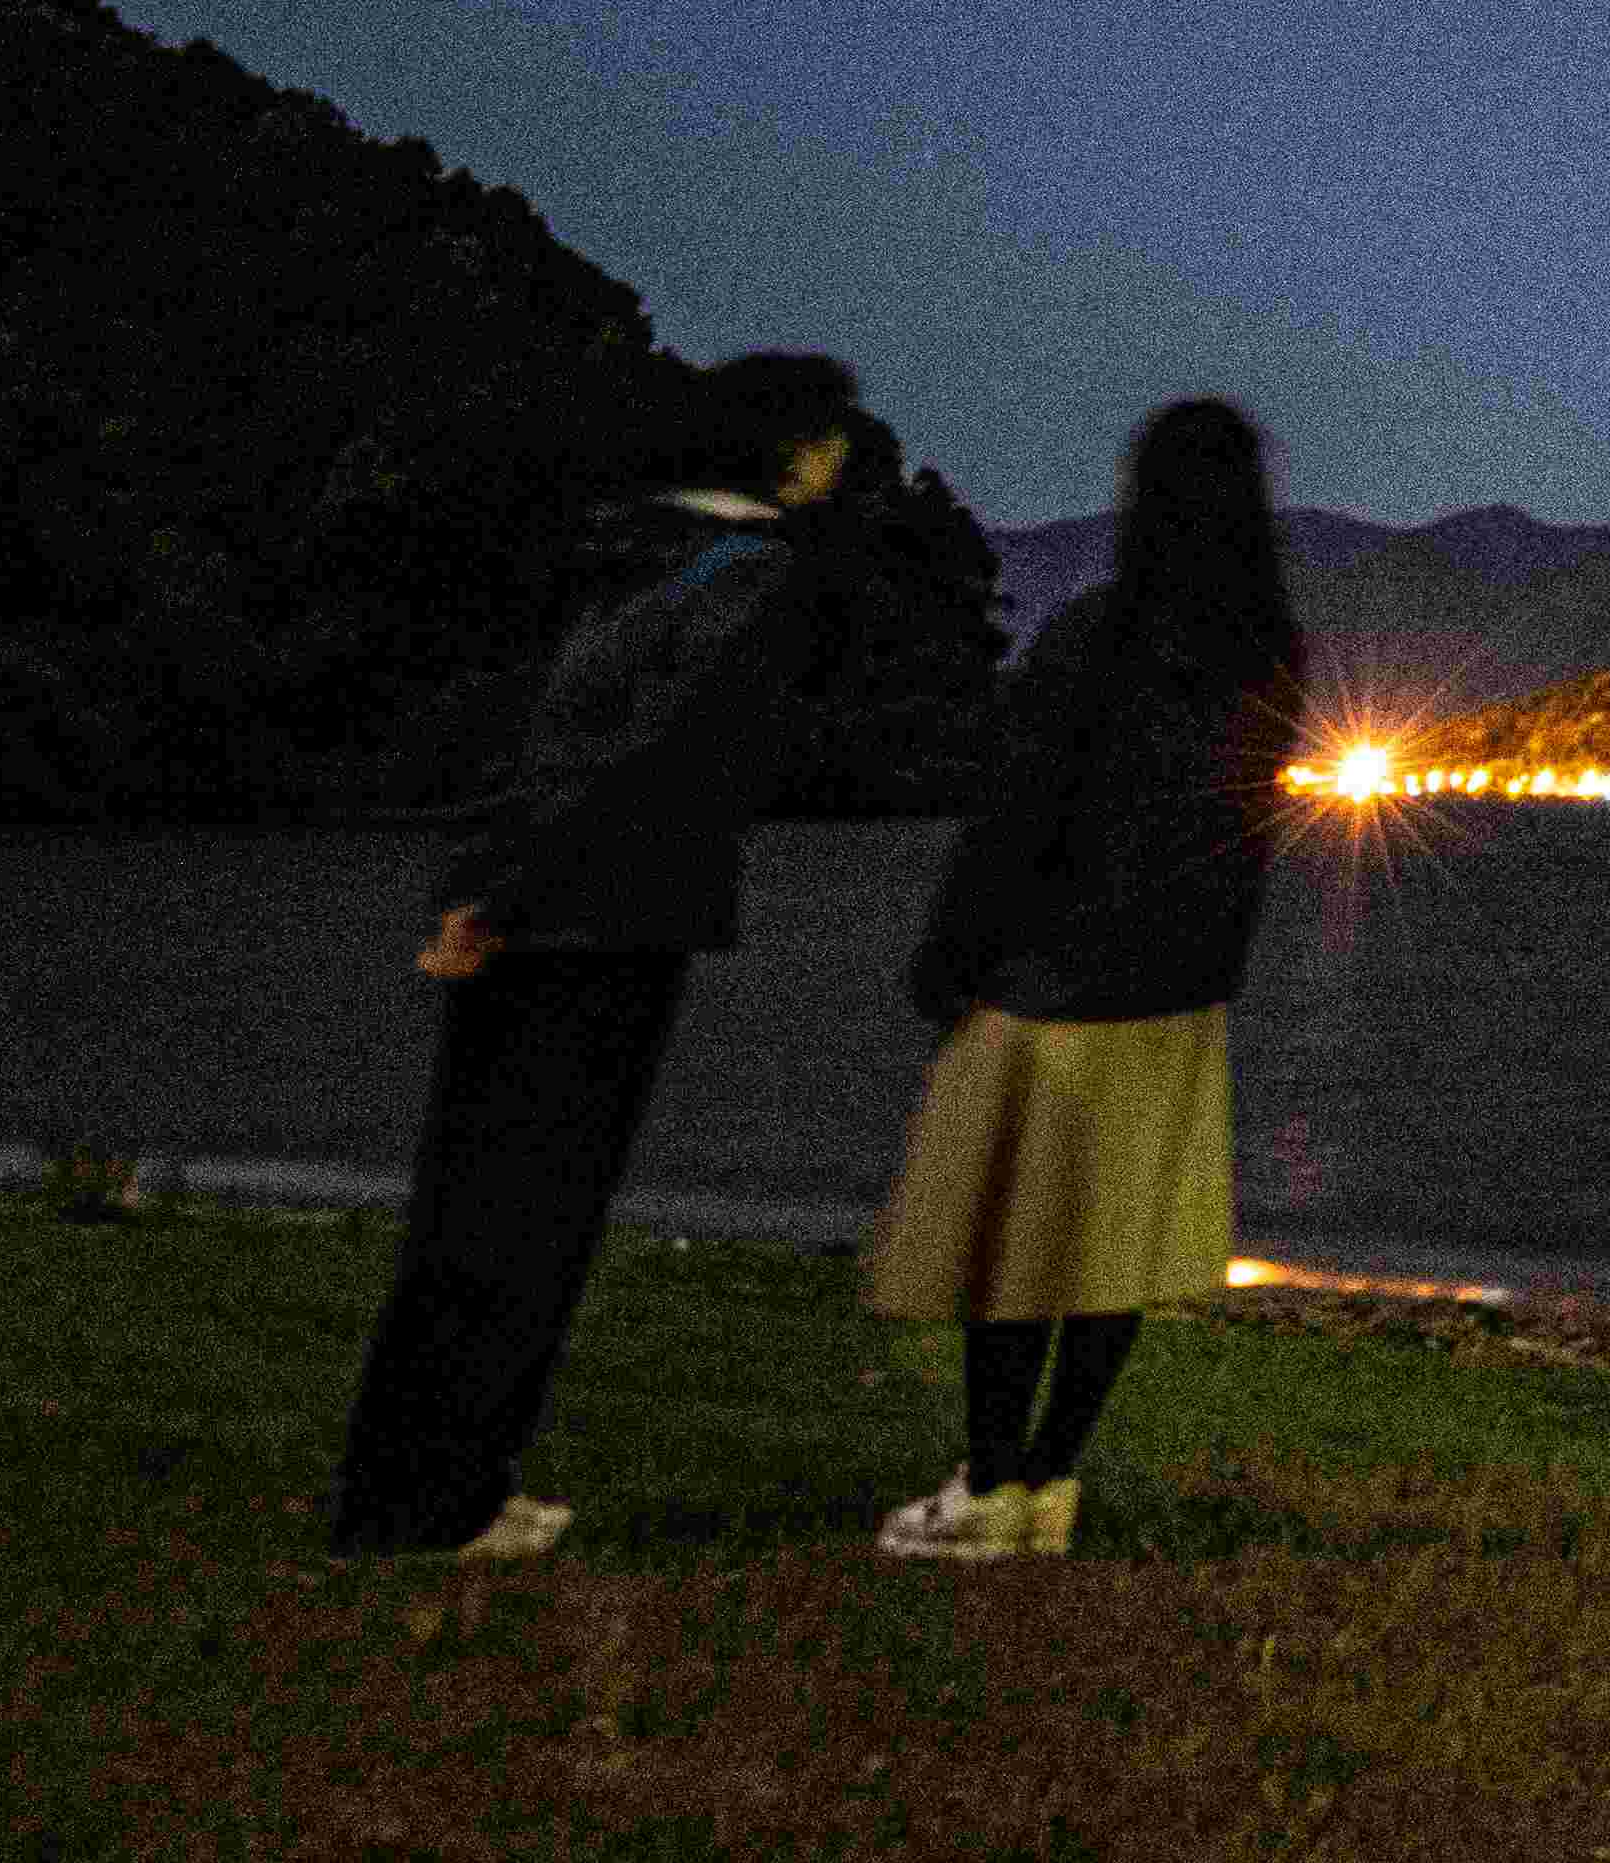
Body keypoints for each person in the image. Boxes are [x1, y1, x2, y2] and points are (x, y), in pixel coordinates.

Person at [322, 344, 881, 1560]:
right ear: (791, 451)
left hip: (524, 904)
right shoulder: (752, 577)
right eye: (833, 433)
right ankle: (443, 1499)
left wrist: (479, 887)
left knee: (466, 1203)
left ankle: (411, 1478)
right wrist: (514, 890)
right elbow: (654, 757)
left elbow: (536, 738)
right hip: (607, 916)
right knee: (536, 1214)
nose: (844, 456)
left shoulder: (624, 553)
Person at [858, 393, 1315, 1559]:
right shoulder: (1270, 654)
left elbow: (1019, 813)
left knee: (1018, 1244)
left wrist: (952, 957)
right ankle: (1051, 1482)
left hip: (1054, 982)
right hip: (1177, 990)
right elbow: (1244, 836)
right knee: (1110, 1251)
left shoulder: (1096, 633)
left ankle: (990, 1486)